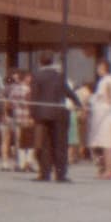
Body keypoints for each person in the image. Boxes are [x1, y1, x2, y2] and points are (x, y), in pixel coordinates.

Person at [30, 50, 81, 183]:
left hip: (42, 114)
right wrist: (78, 103)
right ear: (52, 62)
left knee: (45, 144)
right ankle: (61, 174)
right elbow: (68, 92)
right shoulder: (59, 75)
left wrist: (33, 114)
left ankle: (44, 173)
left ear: (40, 61)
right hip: (59, 113)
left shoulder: (37, 75)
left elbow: (34, 96)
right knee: (60, 144)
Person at [88, 58, 111, 179]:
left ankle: (109, 170)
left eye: (99, 67)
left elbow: (110, 98)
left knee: (106, 144)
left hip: (106, 117)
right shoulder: (103, 81)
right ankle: (104, 168)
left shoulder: (108, 81)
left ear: (104, 68)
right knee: (99, 143)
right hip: (100, 116)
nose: (97, 70)